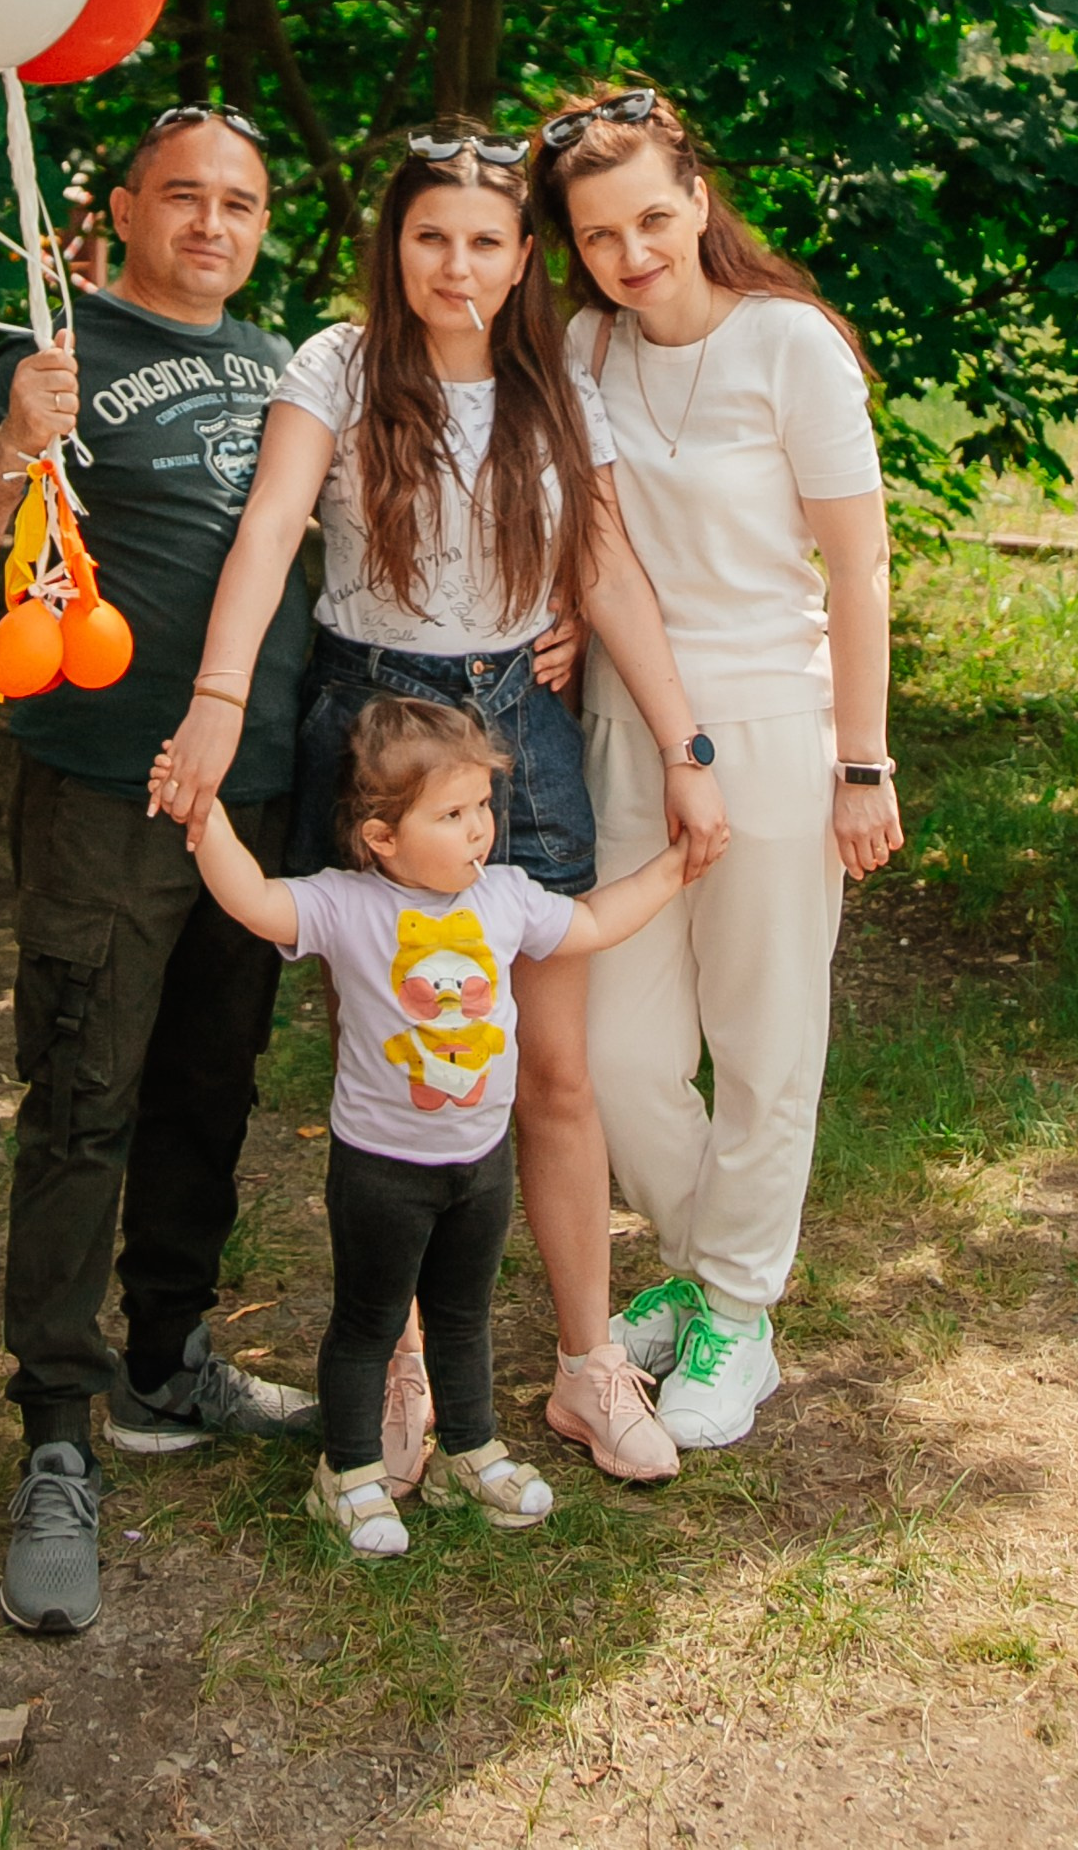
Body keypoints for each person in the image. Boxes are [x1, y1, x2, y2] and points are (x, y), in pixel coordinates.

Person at [148, 131, 730, 1492]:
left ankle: (588, 1363)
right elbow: (267, 529)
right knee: (403, 1068)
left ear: (524, 256)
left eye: (484, 241)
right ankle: (400, 1357)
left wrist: (683, 742)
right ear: (390, 246)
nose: (455, 267)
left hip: (520, 733)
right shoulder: (337, 366)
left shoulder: (557, 376)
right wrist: (220, 700)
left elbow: (611, 572)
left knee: (557, 1071)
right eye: (429, 239)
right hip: (378, 728)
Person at [0, 105, 319, 1639]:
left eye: (243, 202)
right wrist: (18, 440)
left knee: (213, 1081)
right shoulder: (51, 352)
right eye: (185, 197)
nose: (215, 224)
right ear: (123, 210)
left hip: (256, 795)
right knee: (83, 1092)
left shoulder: (293, 365)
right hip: (103, 788)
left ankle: (167, 1357)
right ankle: (58, 1434)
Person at [528, 87, 902, 1452]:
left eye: (652, 217)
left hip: (772, 723)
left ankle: (734, 1314)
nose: (633, 253)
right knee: (618, 1053)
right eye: (599, 234)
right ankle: (711, 1266)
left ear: (697, 195)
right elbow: (601, 541)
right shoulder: (582, 348)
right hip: (631, 724)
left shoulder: (790, 346)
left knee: (762, 1041)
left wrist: (862, 762)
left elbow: (857, 565)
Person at [188, 694, 698, 1556]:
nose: (478, 830)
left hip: (480, 1161)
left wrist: (674, 869)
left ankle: (470, 1451)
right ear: (381, 837)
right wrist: (201, 816)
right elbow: (252, 903)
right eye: (451, 813)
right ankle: (346, 1477)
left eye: (482, 808)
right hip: (381, 1170)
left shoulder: (505, 897)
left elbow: (594, 923)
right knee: (368, 1325)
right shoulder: (345, 904)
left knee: (465, 1319)